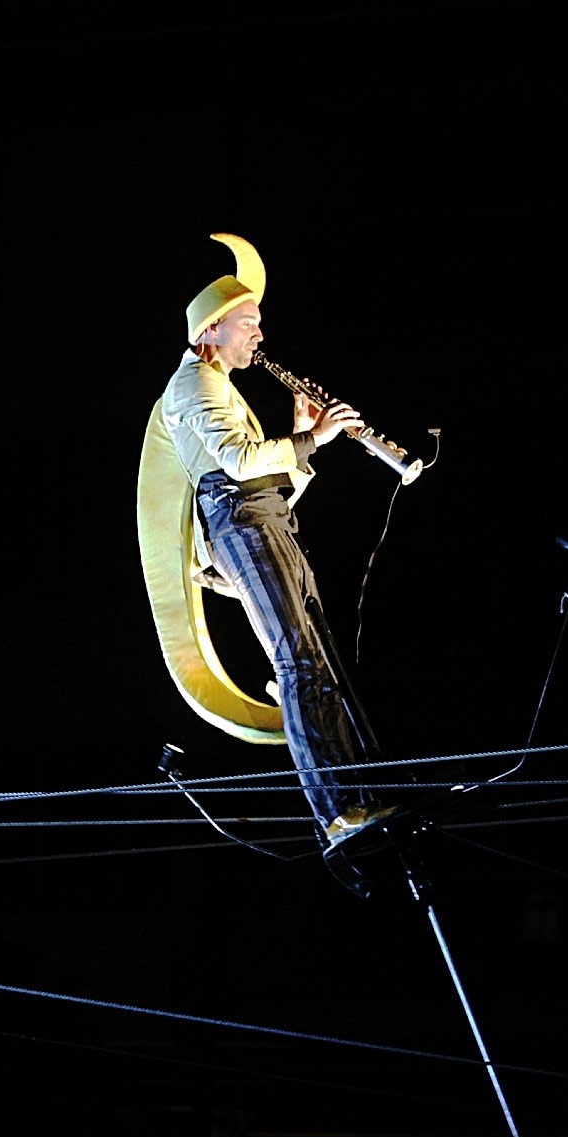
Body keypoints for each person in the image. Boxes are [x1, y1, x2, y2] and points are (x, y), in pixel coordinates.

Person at [138, 233, 386, 846]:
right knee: (299, 662)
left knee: (318, 664)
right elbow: (237, 464)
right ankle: (337, 812)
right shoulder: (194, 384)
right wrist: (312, 439)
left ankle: (360, 799)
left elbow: (263, 488)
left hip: (261, 520)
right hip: (241, 526)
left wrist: (302, 444)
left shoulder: (223, 389)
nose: (259, 333)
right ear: (212, 330)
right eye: (248, 322)